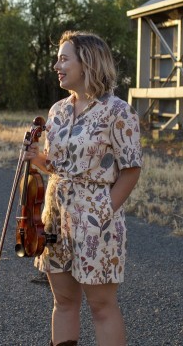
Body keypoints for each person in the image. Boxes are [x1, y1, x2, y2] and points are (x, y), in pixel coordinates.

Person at [25, 30, 142, 346]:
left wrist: (103, 213)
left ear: (87, 62)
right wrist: (36, 159)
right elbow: (57, 166)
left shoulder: (118, 111)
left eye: (64, 58)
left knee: (101, 306)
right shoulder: (58, 111)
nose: (56, 65)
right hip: (56, 215)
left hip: (97, 219)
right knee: (63, 301)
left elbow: (131, 170)